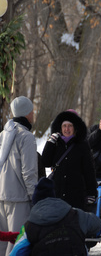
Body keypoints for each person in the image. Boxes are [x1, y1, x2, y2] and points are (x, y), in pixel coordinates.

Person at [10, 177, 101, 256]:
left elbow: (16, 252)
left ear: (36, 202)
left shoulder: (29, 226)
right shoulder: (75, 214)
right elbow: (97, 225)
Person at [0, 96, 38, 256]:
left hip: (1, 195)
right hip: (19, 199)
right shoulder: (26, 137)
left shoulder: (3, 134)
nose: (33, 114)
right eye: (32, 111)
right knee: (17, 244)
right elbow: (29, 172)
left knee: (2, 243)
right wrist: (34, 197)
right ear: (27, 113)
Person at [42, 109, 97, 211]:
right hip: (57, 193)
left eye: (70, 126)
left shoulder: (82, 145)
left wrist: (91, 193)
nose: (67, 129)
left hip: (76, 195)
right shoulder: (56, 144)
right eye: (64, 126)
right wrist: (50, 143)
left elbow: (89, 170)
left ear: (75, 127)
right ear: (60, 127)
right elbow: (45, 162)